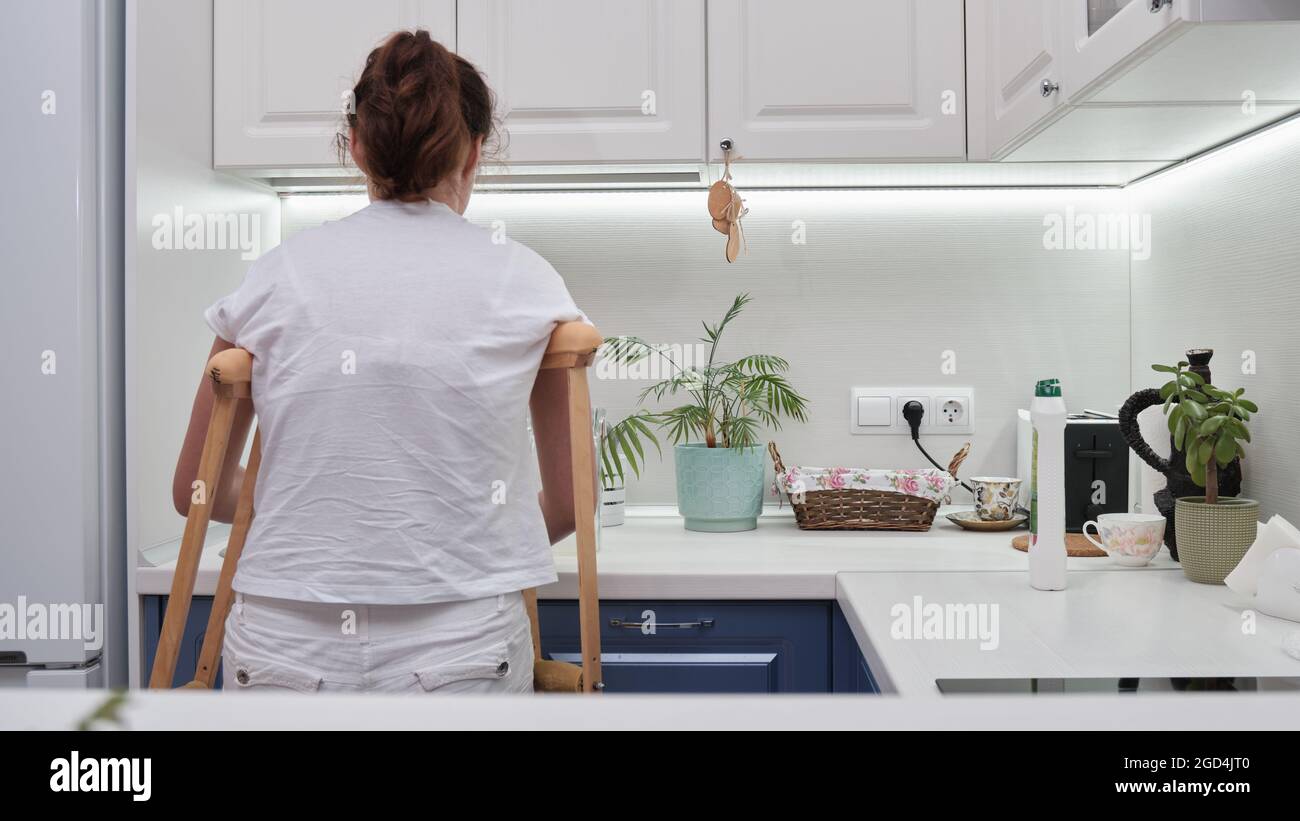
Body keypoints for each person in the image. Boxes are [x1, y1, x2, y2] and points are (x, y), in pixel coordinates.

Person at [173, 29, 588, 694]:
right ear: (475, 151)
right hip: (461, 647)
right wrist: (451, 527)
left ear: (358, 147)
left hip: (279, 645)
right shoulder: (526, 281)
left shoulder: (273, 278)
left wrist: (307, 514)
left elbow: (194, 489)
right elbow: (572, 503)